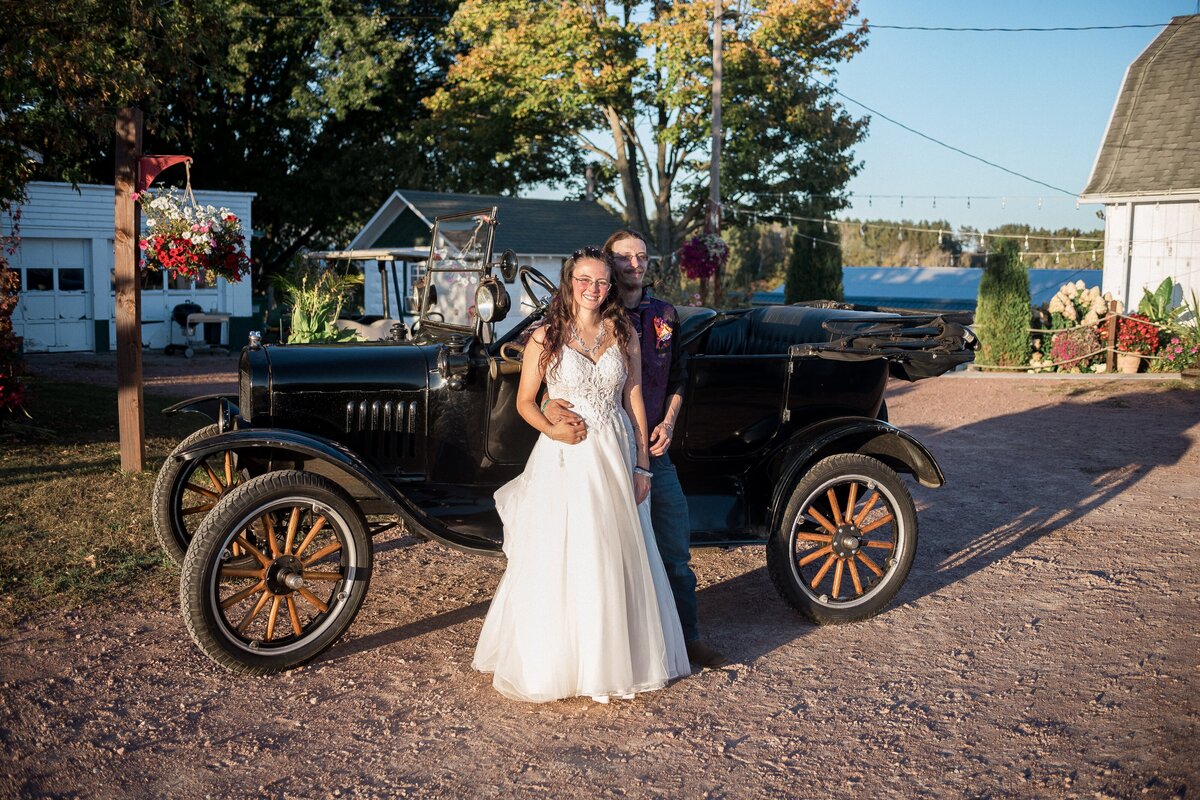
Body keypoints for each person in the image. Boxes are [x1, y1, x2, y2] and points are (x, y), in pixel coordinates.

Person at [473, 246, 690, 703]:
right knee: (567, 552)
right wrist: (551, 426)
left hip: (614, 451)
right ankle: (561, 661)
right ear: (569, 282)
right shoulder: (546, 336)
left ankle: (610, 662)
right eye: (585, 280)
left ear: (610, 288)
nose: (594, 289)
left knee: (615, 553)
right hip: (566, 458)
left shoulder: (621, 331)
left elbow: (633, 401)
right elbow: (525, 402)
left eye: (602, 282)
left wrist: (641, 465)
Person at [545, 230, 729, 669]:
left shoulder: (663, 314)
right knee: (598, 554)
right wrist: (550, 401)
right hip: (594, 448)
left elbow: (679, 375)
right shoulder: (588, 310)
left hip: (649, 449)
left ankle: (688, 638)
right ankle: (607, 652)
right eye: (625, 257)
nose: (635, 264)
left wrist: (667, 421)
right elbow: (536, 351)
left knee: (672, 548)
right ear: (607, 264)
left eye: (642, 256)